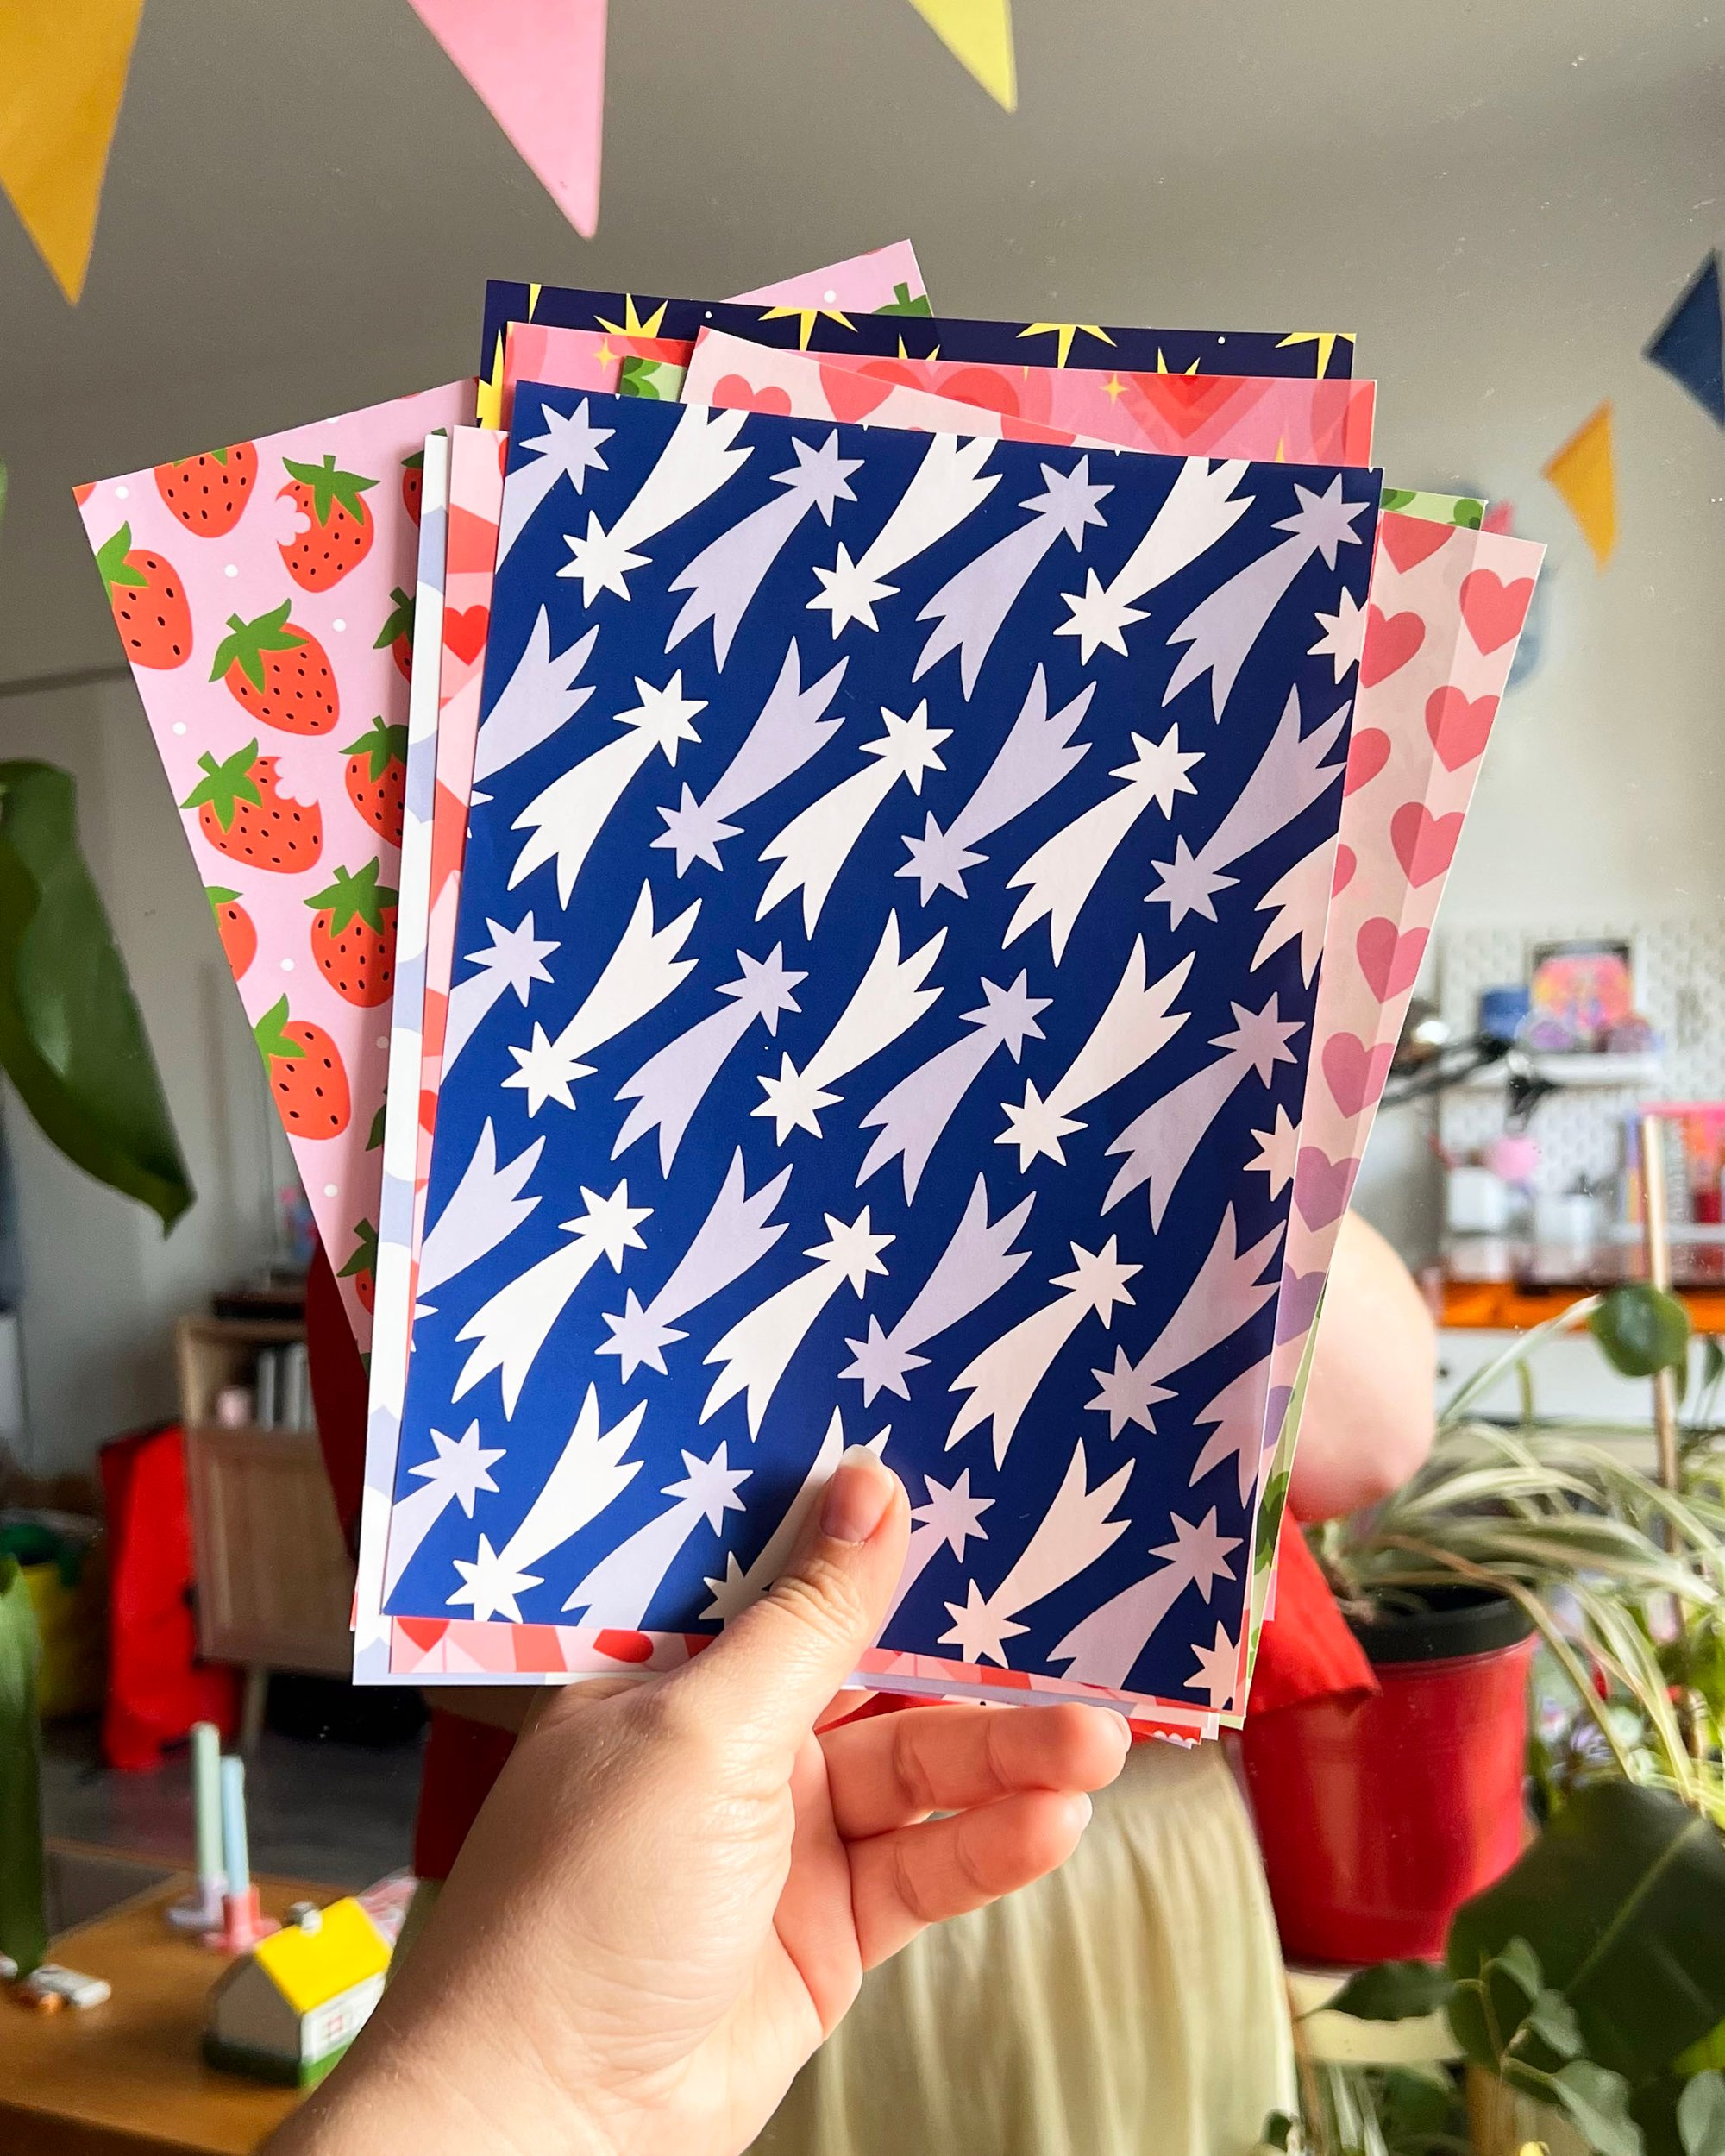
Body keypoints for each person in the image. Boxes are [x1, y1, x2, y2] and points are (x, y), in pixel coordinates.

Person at [298, 1207, 1436, 2156]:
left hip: (1080, 1837)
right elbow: (462, 1604)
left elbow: (1373, 1435)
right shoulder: (433, 1090)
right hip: (673, 1869)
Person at [267, 1448, 1130, 2156]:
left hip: (807, 1877)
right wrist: (548, 2084)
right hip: (611, 1856)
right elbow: (426, 1595)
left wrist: (546, 2089)